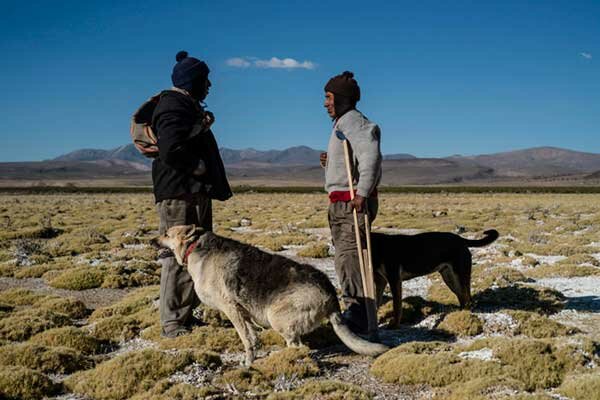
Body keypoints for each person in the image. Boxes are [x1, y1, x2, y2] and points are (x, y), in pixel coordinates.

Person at [152, 50, 232, 338]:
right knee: (176, 255)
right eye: (205, 79)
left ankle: (184, 317)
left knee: (193, 253)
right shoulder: (173, 106)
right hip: (180, 192)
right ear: (192, 80)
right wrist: (197, 167)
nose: (209, 85)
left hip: (191, 192)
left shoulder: (184, 105)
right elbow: (170, 149)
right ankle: (172, 322)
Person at [321, 71, 382, 334]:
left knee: (350, 259)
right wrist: (330, 162)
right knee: (346, 258)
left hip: (351, 202)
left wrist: (362, 192)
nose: (325, 103)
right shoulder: (342, 123)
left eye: (329, 97)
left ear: (342, 99)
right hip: (342, 202)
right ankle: (359, 312)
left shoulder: (353, 122)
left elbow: (370, 157)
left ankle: (359, 318)